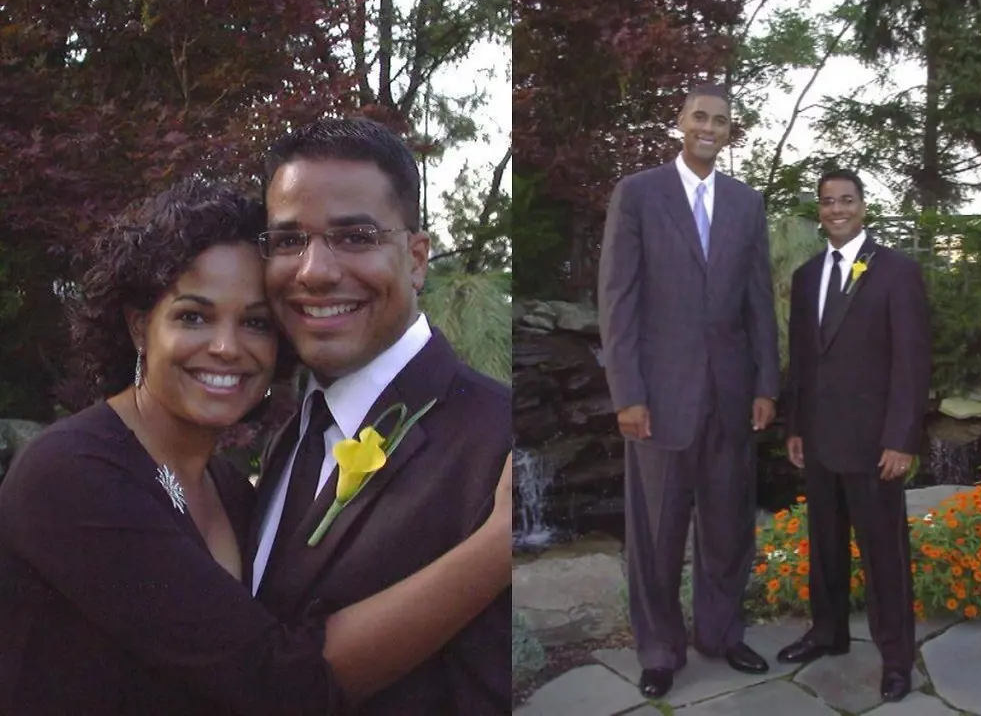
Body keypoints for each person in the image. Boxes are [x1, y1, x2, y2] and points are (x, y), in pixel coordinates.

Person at [0, 180, 512, 715]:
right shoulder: (72, 474)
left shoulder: (229, 483)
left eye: (255, 323)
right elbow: (280, 681)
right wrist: (497, 545)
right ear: (138, 327)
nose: (227, 348)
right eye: (193, 316)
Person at [249, 117, 511, 715]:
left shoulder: (496, 444)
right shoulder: (293, 431)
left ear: (416, 259)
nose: (314, 271)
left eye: (355, 236)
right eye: (288, 240)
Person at [597, 83, 780, 699]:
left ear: (731, 132)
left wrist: (765, 384)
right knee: (655, 534)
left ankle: (722, 635)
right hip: (659, 399)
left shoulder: (747, 204)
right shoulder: (639, 195)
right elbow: (617, 301)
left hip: (731, 397)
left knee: (729, 528)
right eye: (699, 116)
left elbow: (759, 302)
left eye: (721, 120)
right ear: (680, 122)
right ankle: (658, 650)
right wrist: (627, 393)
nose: (709, 127)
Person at [777, 169, 930, 703]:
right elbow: (801, 361)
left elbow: (911, 364)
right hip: (818, 439)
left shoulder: (895, 272)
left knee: (884, 554)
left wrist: (901, 438)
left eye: (846, 200)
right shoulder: (806, 275)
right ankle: (829, 632)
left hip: (875, 445)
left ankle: (895, 657)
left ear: (863, 206)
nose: (836, 209)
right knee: (825, 546)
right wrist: (794, 426)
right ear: (818, 210)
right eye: (827, 201)